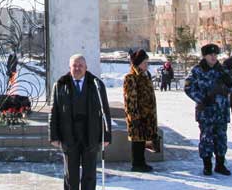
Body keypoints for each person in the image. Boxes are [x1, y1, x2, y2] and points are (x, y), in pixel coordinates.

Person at [49, 54, 111, 190]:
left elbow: (105, 111)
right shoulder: (60, 85)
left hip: (91, 134)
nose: (77, 68)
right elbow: (54, 113)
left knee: (89, 174)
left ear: (86, 67)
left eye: (80, 66)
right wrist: (53, 136)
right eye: (74, 66)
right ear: (69, 68)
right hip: (68, 135)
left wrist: (106, 135)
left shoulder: (97, 85)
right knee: (71, 175)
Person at [185, 44, 232, 176]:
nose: (213, 57)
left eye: (215, 55)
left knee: (221, 139)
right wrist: (201, 99)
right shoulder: (197, 71)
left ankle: (220, 164)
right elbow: (188, 88)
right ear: (205, 56)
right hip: (206, 112)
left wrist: (228, 84)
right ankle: (207, 165)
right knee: (206, 139)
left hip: (221, 111)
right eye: (210, 55)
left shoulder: (222, 70)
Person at [123, 49, 158, 172]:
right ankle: (137, 164)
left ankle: (142, 162)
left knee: (143, 140)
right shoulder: (131, 77)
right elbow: (130, 99)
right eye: (145, 62)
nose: (147, 65)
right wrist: (134, 117)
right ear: (138, 63)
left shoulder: (145, 75)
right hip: (137, 116)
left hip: (147, 115)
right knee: (137, 141)